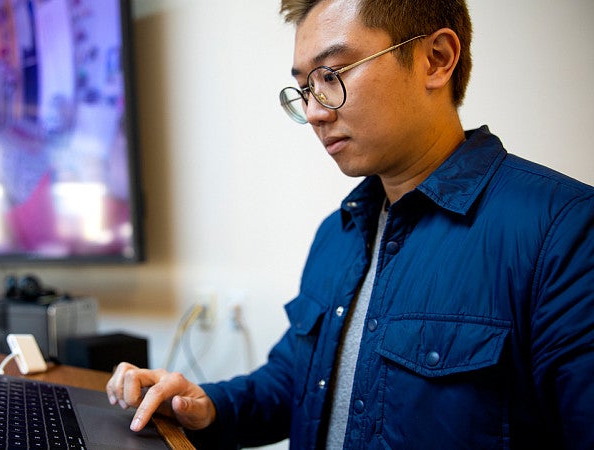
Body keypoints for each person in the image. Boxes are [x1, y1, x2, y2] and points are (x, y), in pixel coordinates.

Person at [106, 0, 594, 448]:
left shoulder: (564, 231)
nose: (315, 111)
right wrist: (207, 404)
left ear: (437, 58)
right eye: (305, 87)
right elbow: (297, 381)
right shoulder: (338, 232)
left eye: (332, 74)